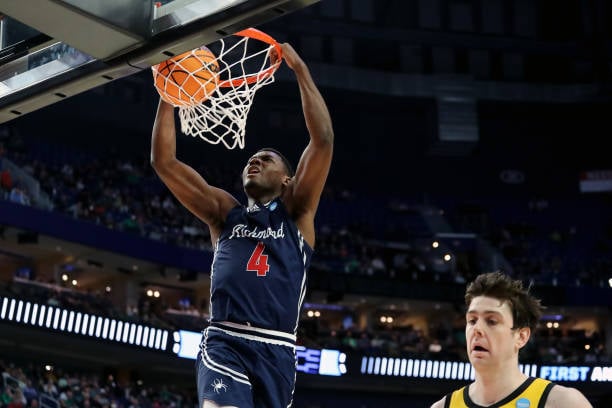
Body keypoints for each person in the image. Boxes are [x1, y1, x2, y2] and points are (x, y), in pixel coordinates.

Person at [151, 42, 333, 408]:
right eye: (251, 158)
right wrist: (169, 92)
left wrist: (299, 69)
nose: (254, 162)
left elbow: (323, 140)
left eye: (265, 159)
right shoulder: (224, 213)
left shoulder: (297, 215)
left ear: (288, 180)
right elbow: (164, 162)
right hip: (225, 340)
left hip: (278, 349)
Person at [430, 271, 592, 408]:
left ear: (521, 337)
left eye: (491, 321)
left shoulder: (562, 403)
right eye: (472, 320)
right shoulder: (444, 406)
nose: (477, 329)